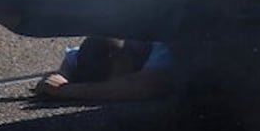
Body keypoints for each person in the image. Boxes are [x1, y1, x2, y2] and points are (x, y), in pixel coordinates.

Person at [32, 36, 174, 103]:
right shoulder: (117, 47)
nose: (117, 84)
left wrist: (66, 90)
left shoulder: (164, 48)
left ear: (120, 59)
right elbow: (73, 56)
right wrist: (62, 76)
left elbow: (143, 87)